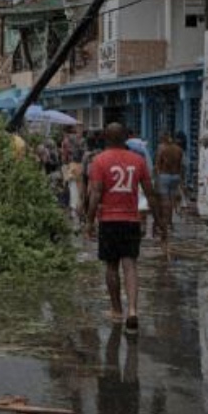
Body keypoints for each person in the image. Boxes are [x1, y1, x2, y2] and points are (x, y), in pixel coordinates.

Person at [86, 122, 151, 334]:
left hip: (109, 220)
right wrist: (159, 221)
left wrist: (89, 220)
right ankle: (133, 310)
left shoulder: (99, 161)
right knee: (130, 265)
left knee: (111, 267)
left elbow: (95, 193)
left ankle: (116, 310)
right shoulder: (138, 160)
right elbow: (150, 192)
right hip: (132, 220)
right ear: (126, 138)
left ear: (105, 138)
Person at [153, 132, 183, 237]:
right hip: (176, 176)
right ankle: (170, 222)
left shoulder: (162, 149)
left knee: (164, 201)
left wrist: (156, 178)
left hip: (164, 176)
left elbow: (157, 164)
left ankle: (165, 223)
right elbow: (180, 166)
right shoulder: (179, 149)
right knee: (172, 200)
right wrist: (181, 181)